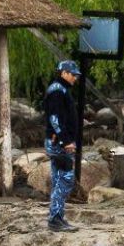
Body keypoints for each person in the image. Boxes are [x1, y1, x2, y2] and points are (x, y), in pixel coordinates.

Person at [43, 60, 82, 232]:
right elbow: (55, 119)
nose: (75, 78)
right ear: (64, 73)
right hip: (58, 143)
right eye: (73, 74)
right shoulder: (57, 91)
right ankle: (55, 218)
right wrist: (65, 140)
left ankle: (57, 217)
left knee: (60, 179)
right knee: (65, 179)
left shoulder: (62, 89)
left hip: (59, 141)